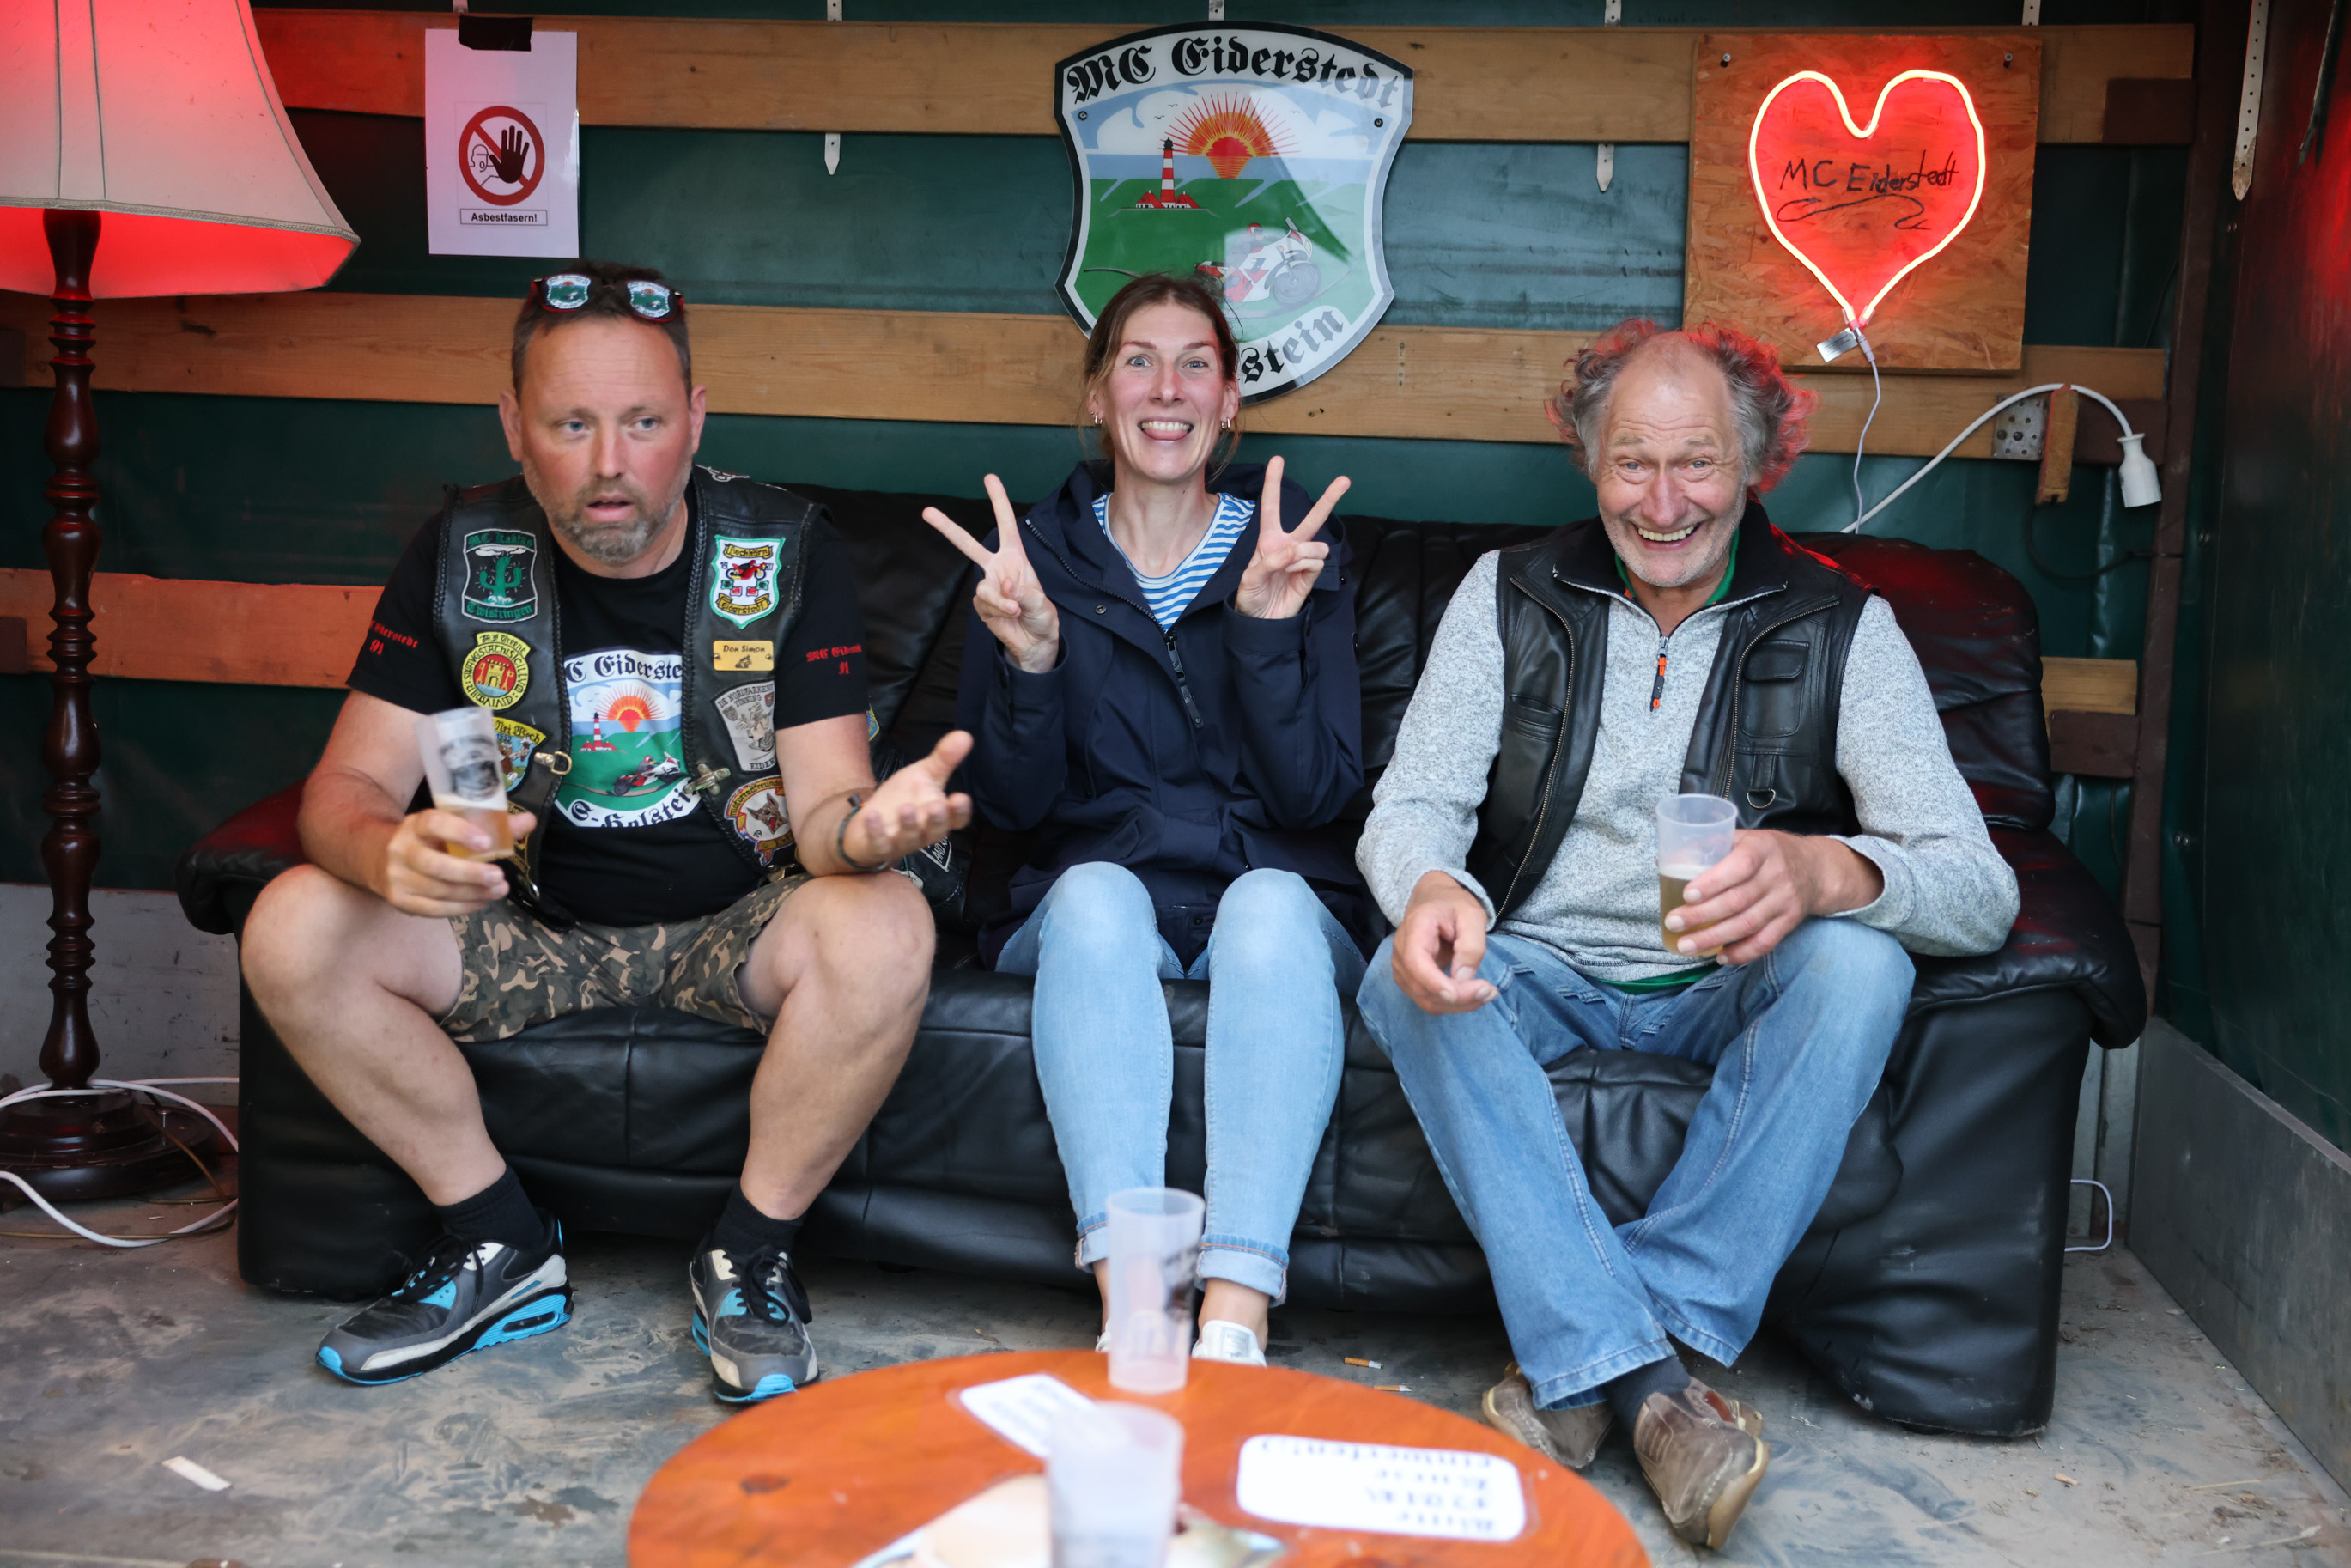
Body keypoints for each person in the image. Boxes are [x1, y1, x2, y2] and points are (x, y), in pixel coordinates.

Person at [240, 263, 971, 1403]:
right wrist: (382, 849)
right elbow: (345, 784)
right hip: (526, 919)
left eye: (642, 421)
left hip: (735, 921)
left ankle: (748, 1255)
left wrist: (873, 832)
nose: (609, 463)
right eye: (570, 424)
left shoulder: (784, 550)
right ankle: (497, 1240)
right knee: (291, 921)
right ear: (514, 429)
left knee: (885, 921)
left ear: (695, 420)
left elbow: (826, 816)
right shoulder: (460, 552)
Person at [1352, 319, 2019, 1548]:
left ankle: (1593, 1366)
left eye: (1696, 462)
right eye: (1632, 463)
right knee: (1402, 978)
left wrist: (1827, 868)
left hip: (1725, 976)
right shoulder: (1506, 595)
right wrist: (1432, 884)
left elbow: (1978, 887)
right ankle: (1654, 1387)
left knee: (1860, 962)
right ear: (1588, 462)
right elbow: (1412, 805)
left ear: (1755, 462)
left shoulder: (1838, 625)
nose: (1662, 504)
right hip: (1539, 962)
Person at [922, 274, 1364, 1366]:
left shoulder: (1295, 554)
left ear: (1229, 403)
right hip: (1095, 894)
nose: (1166, 388)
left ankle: (1235, 1314)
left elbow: (1316, 798)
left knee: (1272, 903)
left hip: (1257, 890)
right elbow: (1009, 810)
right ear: (1096, 394)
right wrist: (1032, 661)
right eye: (1137, 360)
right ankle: (1135, 1306)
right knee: (1093, 894)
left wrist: (1264, 633)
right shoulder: (1029, 559)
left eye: (1195, 364)